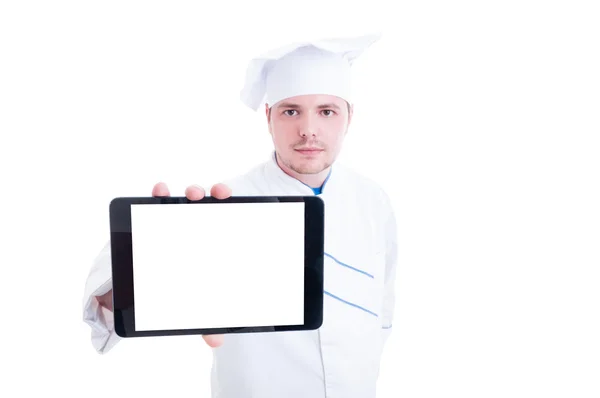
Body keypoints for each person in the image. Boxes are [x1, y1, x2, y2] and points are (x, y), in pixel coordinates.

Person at [83, 33, 398, 398]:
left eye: (327, 111)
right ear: (268, 117)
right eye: (291, 111)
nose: (309, 129)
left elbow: (384, 310)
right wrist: (146, 260)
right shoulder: (224, 204)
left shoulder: (374, 201)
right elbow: (107, 302)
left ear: (349, 117)